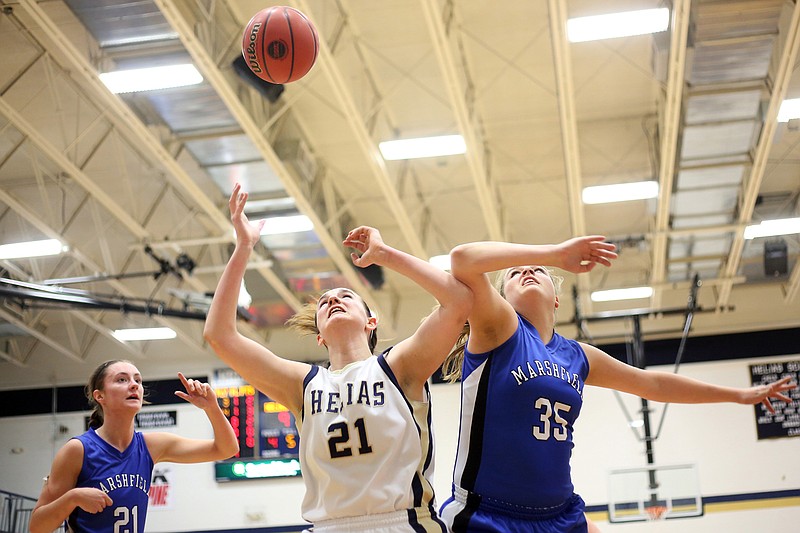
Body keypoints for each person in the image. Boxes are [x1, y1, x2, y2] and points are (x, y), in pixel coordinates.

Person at [438, 239, 798, 533]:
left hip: (559, 515)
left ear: (557, 298)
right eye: (516, 273)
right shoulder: (500, 329)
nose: (528, 270)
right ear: (501, 298)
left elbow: (653, 384)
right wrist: (553, 255)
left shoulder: (577, 356)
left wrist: (737, 395)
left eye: (539, 271)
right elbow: (462, 259)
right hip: (492, 515)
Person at [202, 182, 472, 532]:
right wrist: (243, 247)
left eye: (346, 295)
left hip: (402, 522)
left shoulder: (399, 366)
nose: (333, 300)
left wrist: (385, 255)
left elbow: (459, 303)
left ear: (370, 321)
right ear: (319, 336)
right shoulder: (303, 384)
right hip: (330, 526)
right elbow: (219, 336)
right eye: (325, 301)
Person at [29, 360, 239, 533]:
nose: (134, 385)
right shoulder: (78, 450)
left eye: (137, 380)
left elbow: (226, 449)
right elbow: (37, 527)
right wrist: (72, 497)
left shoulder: (151, 445)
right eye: (122, 379)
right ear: (99, 396)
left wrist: (211, 407)